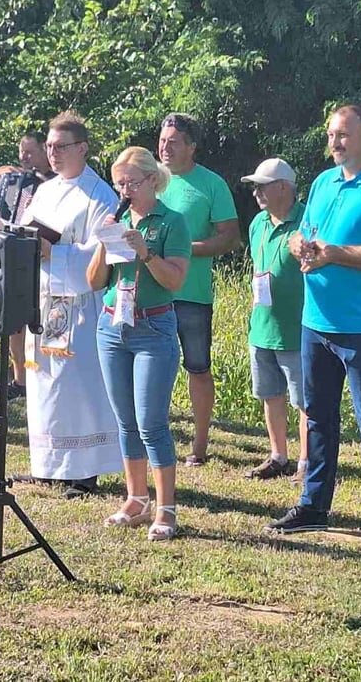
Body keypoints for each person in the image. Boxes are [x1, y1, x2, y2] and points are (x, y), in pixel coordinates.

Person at [265, 104, 361, 560]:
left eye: (344, 135)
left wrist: (335, 254)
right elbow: (306, 237)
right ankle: (313, 506)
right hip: (316, 322)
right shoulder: (323, 184)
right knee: (317, 418)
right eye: (331, 134)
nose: (334, 142)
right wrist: (299, 247)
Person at [18, 111, 122, 499]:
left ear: (82, 148)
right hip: (45, 301)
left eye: (61, 147)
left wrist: (54, 252)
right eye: (49, 146)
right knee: (45, 384)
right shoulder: (45, 190)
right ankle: (48, 465)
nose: (53, 153)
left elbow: (100, 258)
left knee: (76, 388)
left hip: (79, 305)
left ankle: (84, 472)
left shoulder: (100, 196)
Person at [88, 146, 190, 540]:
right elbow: (95, 282)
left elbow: (175, 281)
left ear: (153, 180)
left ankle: (166, 508)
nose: (125, 189)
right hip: (112, 327)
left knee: (151, 422)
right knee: (125, 421)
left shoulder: (172, 222)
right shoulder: (117, 218)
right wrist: (103, 240)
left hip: (154, 327)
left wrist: (144, 252)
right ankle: (136, 498)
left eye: (131, 181)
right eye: (119, 183)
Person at [156, 113, 239, 466]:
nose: (165, 148)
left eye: (173, 143)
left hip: (191, 294)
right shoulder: (149, 179)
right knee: (149, 368)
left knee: (197, 368)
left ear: (191, 147)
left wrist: (184, 250)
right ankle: (151, 441)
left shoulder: (211, 184)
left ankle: (199, 446)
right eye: (162, 141)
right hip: (150, 293)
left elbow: (230, 237)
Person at [240, 158, 308, 482]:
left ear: (283, 187)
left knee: (304, 401)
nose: (256, 193)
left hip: (298, 326)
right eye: (254, 186)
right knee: (270, 394)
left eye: (262, 186)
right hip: (263, 324)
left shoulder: (307, 220)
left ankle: (307, 463)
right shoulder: (257, 224)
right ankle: (278, 456)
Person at [0, 132, 56, 402]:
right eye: (21, 151)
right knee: (13, 325)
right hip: (15, 257)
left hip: (45, 261)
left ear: (45, 151)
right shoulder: (19, 180)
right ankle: (20, 380)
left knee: (39, 324)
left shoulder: (57, 182)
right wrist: (4, 171)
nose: (24, 157)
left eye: (29, 152)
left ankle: (40, 379)